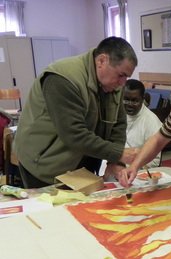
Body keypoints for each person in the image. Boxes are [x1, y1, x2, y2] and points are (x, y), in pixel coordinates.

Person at [14, 36, 138, 188]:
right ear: (101, 61)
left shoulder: (114, 84)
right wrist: (119, 154)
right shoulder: (63, 78)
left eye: (127, 77)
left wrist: (116, 162)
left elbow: (118, 126)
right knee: (52, 209)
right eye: (121, 75)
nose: (123, 83)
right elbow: (74, 135)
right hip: (45, 162)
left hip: (83, 162)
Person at [123, 79, 162, 168]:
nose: (129, 104)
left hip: (136, 172)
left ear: (142, 99)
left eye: (134, 101)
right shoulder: (116, 114)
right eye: (126, 99)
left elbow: (155, 161)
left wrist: (130, 167)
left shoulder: (151, 121)